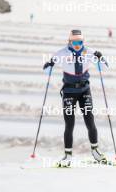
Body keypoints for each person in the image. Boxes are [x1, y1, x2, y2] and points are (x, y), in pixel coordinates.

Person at [43, 29, 107, 166]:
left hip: (85, 91)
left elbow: (104, 67)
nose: (77, 45)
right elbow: (47, 69)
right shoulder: (62, 53)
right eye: (74, 42)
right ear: (69, 41)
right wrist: (49, 64)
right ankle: (67, 156)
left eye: (80, 42)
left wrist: (101, 58)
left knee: (90, 120)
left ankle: (95, 151)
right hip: (69, 92)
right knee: (69, 124)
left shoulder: (89, 52)